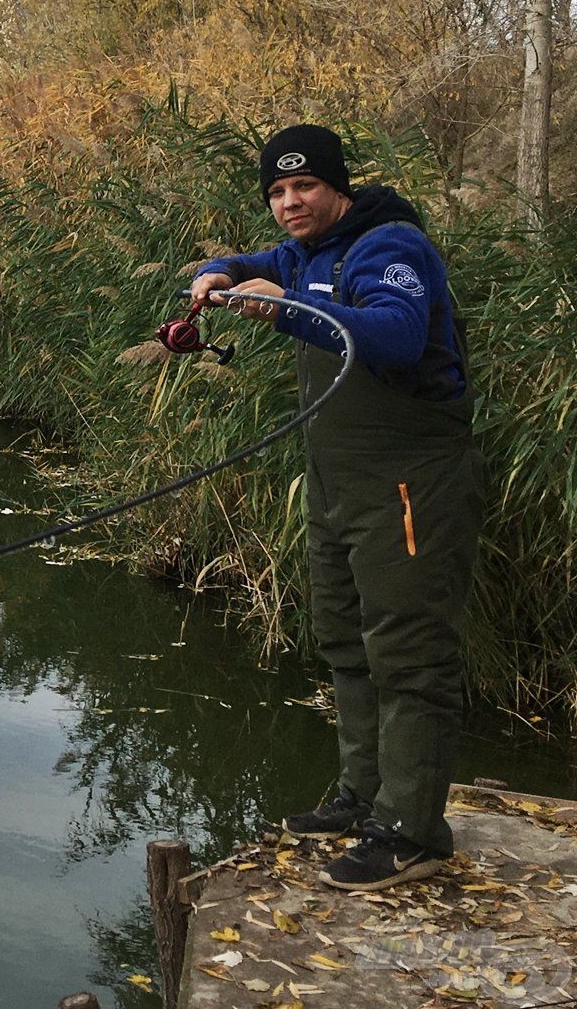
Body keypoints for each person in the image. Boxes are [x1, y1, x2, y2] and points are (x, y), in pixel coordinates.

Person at [190, 124, 484, 892]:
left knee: (409, 655)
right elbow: (263, 263)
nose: (289, 202)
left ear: (337, 187)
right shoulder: (306, 250)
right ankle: (363, 795)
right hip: (337, 487)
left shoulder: (386, 248)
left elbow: (394, 334)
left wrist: (284, 310)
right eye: (277, 192)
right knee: (345, 641)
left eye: (304, 187)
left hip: (410, 484)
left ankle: (413, 832)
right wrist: (221, 270)